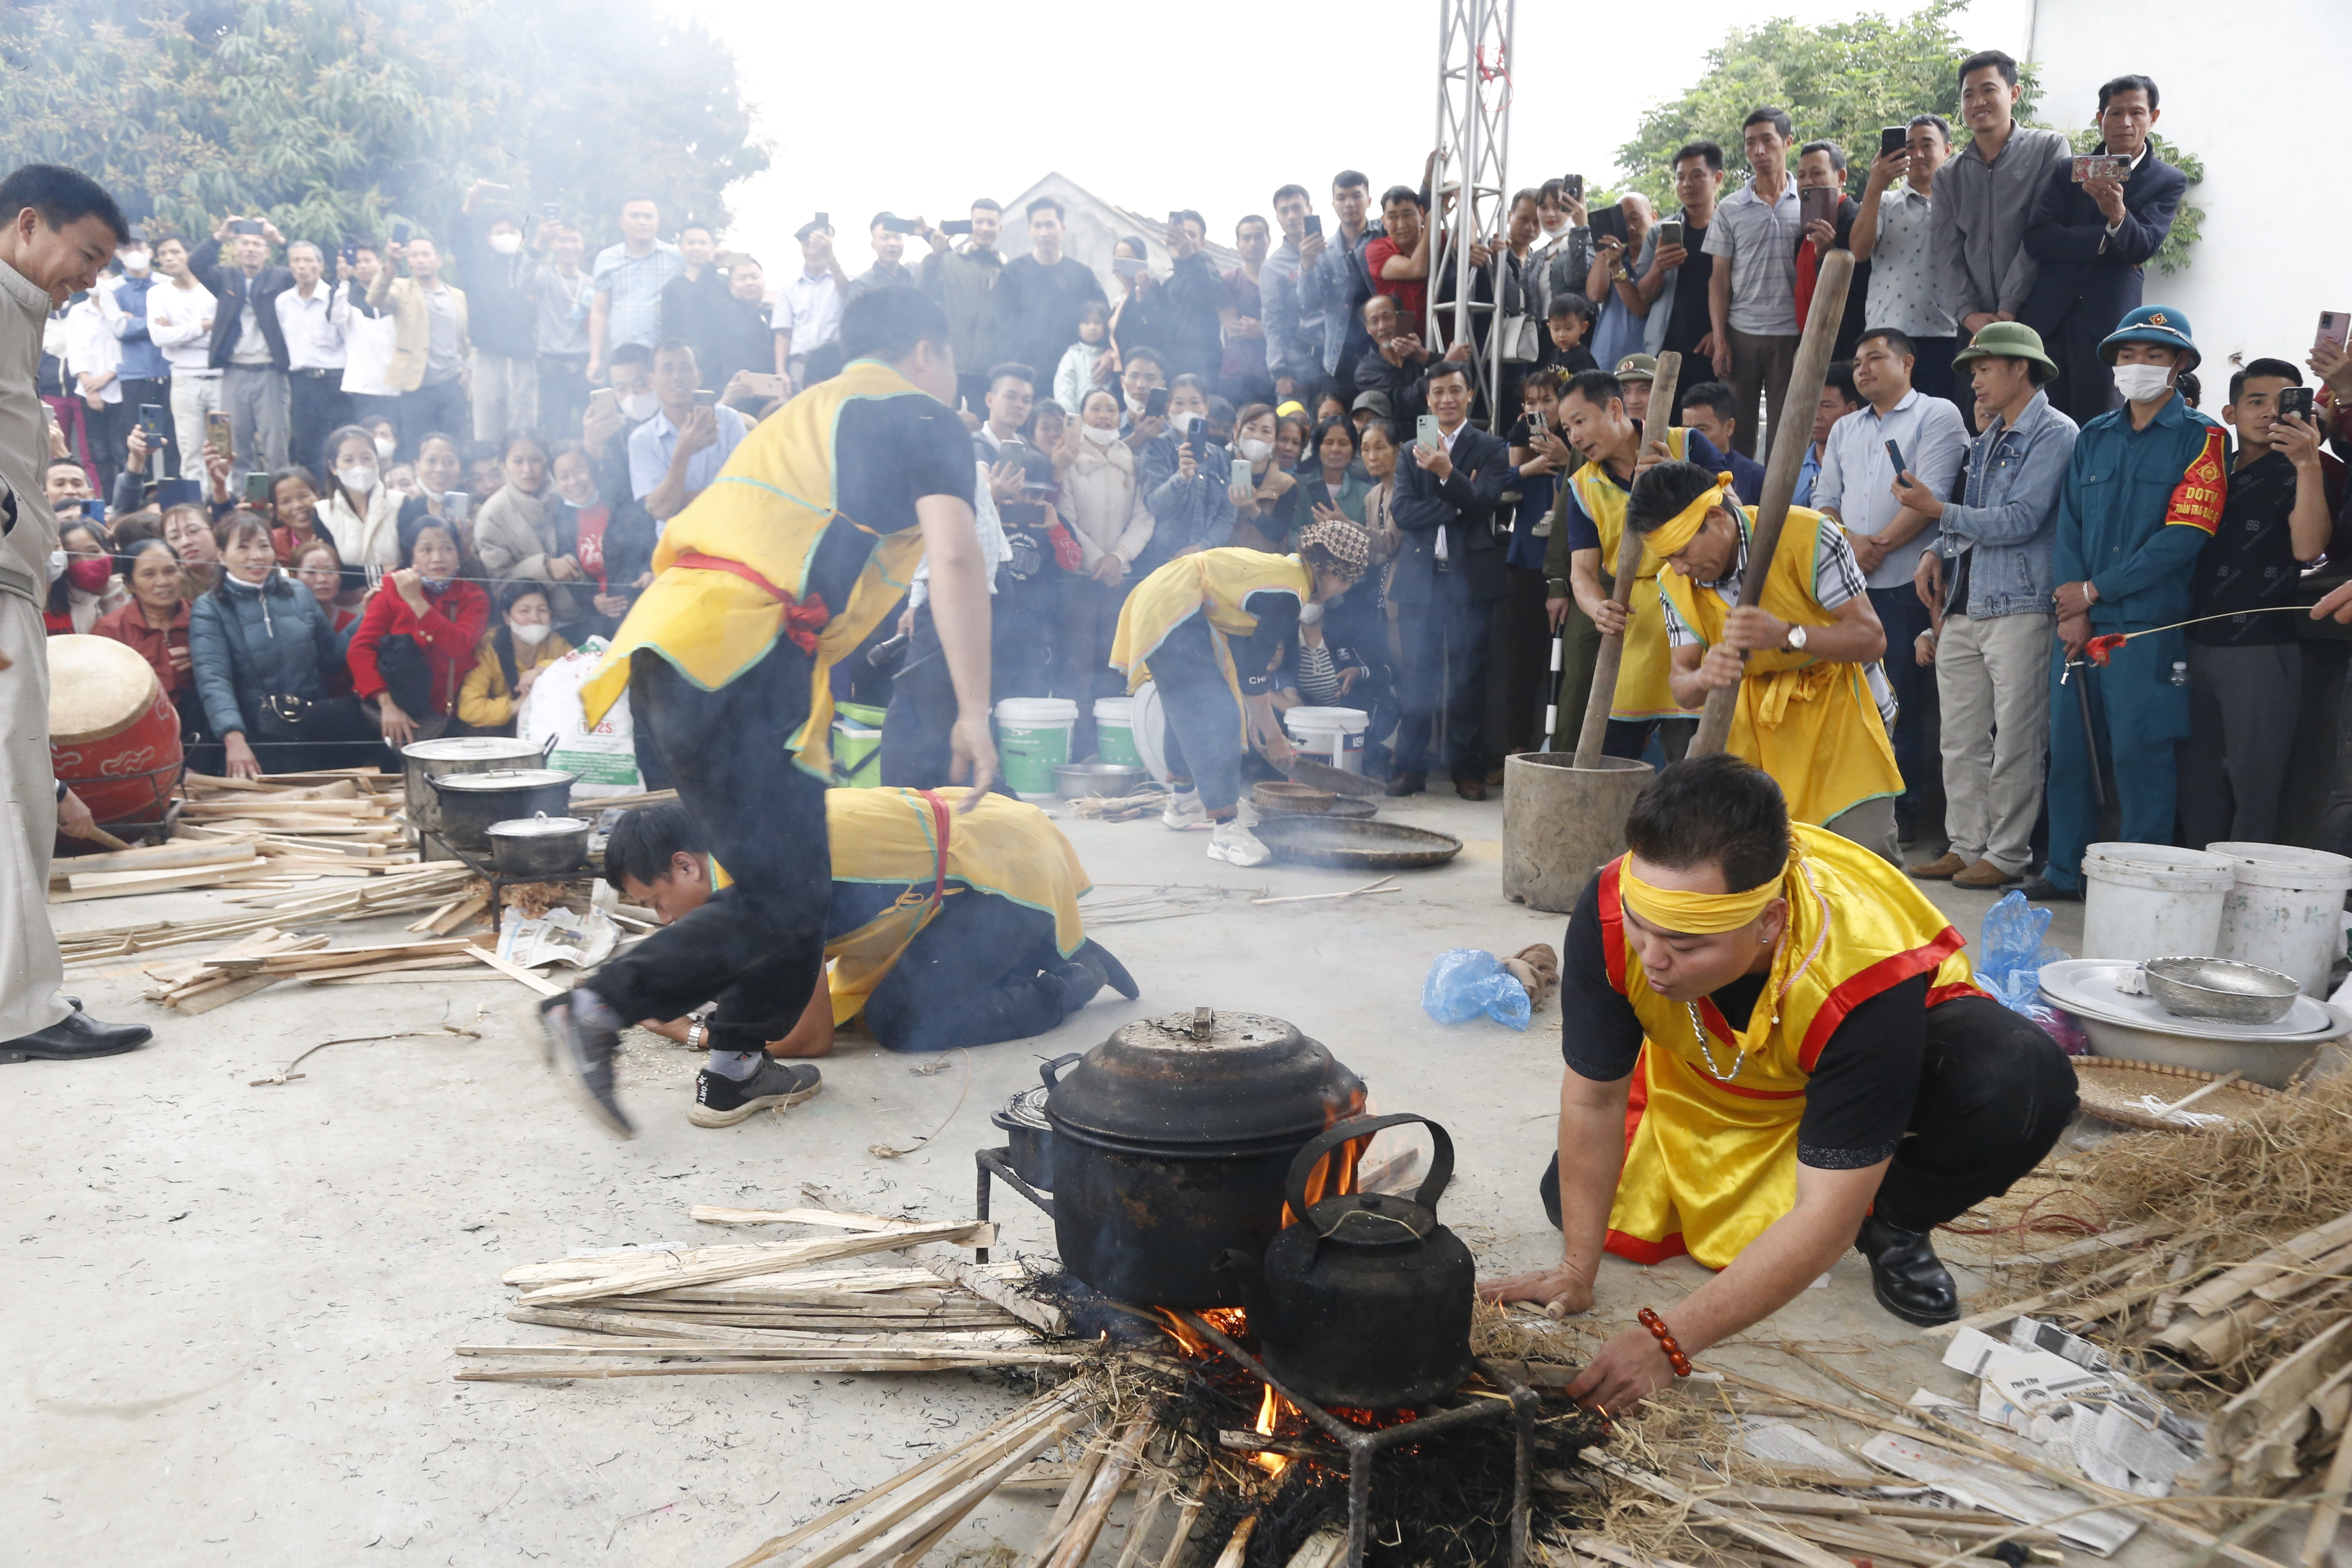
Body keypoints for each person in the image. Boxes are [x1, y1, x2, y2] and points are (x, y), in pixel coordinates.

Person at [546, 287, 1001, 1139]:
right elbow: (956, 555)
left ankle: (736, 1065)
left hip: (673, 647)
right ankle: (597, 1008)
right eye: (949, 367)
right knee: (788, 893)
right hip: (746, 657)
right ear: (927, 353)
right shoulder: (922, 418)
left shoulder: (803, 414)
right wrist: (973, 710)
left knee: (788, 881)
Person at [1478, 756, 2078, 1386]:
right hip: (1705, 1081)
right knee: (1569, 1203)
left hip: (1856, 1062)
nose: (1652, 962)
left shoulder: (1862, 969)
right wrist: (1577, 1269)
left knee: (2018, 1081)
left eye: (1686, 945)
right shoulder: (1611, 907)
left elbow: (1825, 1215)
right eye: (1641, 928)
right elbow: (1594, 1101)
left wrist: (1669, 1341)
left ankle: (1896, 1219)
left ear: (1770, 922)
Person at [604, 795, 1135, 1121]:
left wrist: (689, 1031)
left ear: (686, 867)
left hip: (1008, 870)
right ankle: (1030, 945)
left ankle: (1069, 977)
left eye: (655, 903)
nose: (665, 922)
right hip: (974, 863)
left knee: (901, 1022)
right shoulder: (737, 842)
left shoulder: (764, 879)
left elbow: (810, 1040)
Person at [0, 163, 149, 1062]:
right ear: (27, 227)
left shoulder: (24, 319)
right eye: (85, 254)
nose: (89, 278)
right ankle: (23, 1012)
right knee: (12, 797)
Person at [2026, 306, 2223, 900]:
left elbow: (2185, 537)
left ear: (2180, 364)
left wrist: (2097, 591)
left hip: (2148, 628)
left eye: (2155, 355)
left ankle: (2137, 885)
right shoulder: (2094, 437)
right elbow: (2071, 528)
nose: (2138, 366)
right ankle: (2065, 872)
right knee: (2069, 757)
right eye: (2128, 355)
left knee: (2143, 755)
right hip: (2081, 627)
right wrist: (2074, 607)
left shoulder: (2204, 439)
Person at [1635, 459, 1903, 854]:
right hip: (1751, 718)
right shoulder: (1675, 582)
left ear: (1717, 518)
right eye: (1668, 558)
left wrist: (1788, 635)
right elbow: (1682, 686)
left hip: (1841, 707)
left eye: (1683, 551)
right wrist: (1706, 678)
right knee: (1731, 852)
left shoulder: (1809, 535)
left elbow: (1871, 638)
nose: (1680, 567)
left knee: (1863, 853)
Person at [1904, 324, 2076, 890]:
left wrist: (1939, 515)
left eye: (1984, 368)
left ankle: (2005, 854)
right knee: (1960, 739)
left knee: (2018, 738)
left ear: (2020, 368)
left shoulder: (2055, 433)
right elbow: (1974, 516)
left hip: (2022, 604)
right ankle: (1966, 845)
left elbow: (2022, 520)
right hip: (1967, 603)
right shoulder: (1989, 437)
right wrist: (1935, 547)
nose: (1974, 380)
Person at [1112, 521, 1372, 865]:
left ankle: (1185, 800)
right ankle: (1225, 831)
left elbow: (1249, 662)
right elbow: (1254, 672)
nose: (1346, 589)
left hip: (1172, 595)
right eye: (1349, 580)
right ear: (1333, 572)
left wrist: (1258, 717)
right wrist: (1274, 735)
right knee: (1214, 711)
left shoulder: (1288, 575)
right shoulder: (1288, 595)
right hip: (1173, 600)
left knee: (1194, 697)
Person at [1809, 328, 1969, 842]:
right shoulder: (1845, 429)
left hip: (1907, 584)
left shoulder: (1937, 414)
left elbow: (1935, 497)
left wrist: (1873, 545)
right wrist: (1847, 544)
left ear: (1908, 363)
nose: (1863, 368)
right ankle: (1848, 813)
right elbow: (1824, 498)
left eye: (1876, 358)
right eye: (1858, 361)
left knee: (1904, 705)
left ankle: (1907, 820)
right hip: (1848, 585)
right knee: (1846, 703)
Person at [2175, 360, 2337, 848]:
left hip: (2260, 649)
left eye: (2283, 402)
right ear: (2229, 412)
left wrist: (2309, 463)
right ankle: (2201, 887)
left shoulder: (2305, 469)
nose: (2270, 413)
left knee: (2255, 786)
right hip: (2193, 642)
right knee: (2196, 783)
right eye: (2256, 401)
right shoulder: (2209, 468)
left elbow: (2309, 548)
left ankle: (2246, 899)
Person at [1548, 368, 1748, 761]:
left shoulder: (1687, 444)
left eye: (1580, 421)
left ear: (1615, 408)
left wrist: (1680, 477)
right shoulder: (1582, 486)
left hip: (1699, 609)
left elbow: (1738, 516)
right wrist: (1596, 608)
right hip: (1635, 625)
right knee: (1614, 748)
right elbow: (1583, 573)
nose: (1573, 436)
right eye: (1567, 428)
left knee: (1695, 752)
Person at [2020, 77, 2188, 425]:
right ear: (2101, 119)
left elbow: (2143, 246)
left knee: (2096, 420)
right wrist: (2103, 239)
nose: (2125, 123)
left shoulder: (2167, 180)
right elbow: (2038, 238)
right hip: (2048, 318)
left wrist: (2118, 216)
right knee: (2036, 421)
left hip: (2108, 324)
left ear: (2153, 118)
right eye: (2115, 113)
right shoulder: (2071, 170)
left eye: (2136, 113)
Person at [1388, 361, 1513, 799]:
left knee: (1468, 678)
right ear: (1427, 399)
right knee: (1416, 676)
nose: (1446, 399)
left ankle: (1467, 769)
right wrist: (1458, 501)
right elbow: (1402, 512)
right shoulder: (1410, 450)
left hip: (1470, 582)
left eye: (1455, 391)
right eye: (1438, 392)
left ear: (1469, 395)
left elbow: (1488, 503)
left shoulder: (1491, 447)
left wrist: (1446, 473)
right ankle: (1410, 768)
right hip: (1421, 580)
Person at [189, 510, 371, 778]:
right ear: (221, 555)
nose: (257, 556)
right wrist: (234, 739)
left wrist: (366, 617)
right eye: (243, 547)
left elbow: (331, 657)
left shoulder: (298, 592)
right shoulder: (211, 607)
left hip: (310, 729)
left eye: (264, 546)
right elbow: (214, 680)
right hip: (254, 735)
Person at [1931, 51, 2072, 348]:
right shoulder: (1948, 176)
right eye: (1968, 95)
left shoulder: (2049, 148)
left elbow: (2042, 232)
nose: (1978, 102)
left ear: (2015, 93)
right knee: (1978, 396)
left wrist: (2009, 305)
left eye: (1988, 90)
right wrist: (1969, 315)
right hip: (1975, 326)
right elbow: (1946, 253)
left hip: (2039, 314)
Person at [1056, 387, 1154, 753]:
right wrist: (1098, 559)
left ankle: (1114, 750)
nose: (1104, 416)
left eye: (1111, 410)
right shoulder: (1070, 458)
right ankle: (1078, 750)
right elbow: (1065, 517)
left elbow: (1145, 516)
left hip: (1120, 580)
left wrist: (1119, 557)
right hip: (1079, 580)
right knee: (1078, 667)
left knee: (1115, 667)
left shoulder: (1131, 458)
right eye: (1095, 409)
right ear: (1082, 415)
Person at [1705, 109, 1804, 458]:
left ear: (1787, 143)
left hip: (1793, 335)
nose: (1759, 151)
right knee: (1735, 433)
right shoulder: (1730, 208)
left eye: (1768, 140)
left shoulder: (1809, 203)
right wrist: (1720, 338)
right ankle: (1737, 509)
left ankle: (1782, 511)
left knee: (1788, 435)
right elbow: (1719, 280)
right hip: (1741, 332)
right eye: (1751, 143)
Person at [347, 511, 490, 749]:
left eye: (447, 549)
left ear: (458, 553)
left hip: (442, 712)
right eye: (426, 550)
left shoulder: (473, 596)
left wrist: (417, 602)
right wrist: (386, 704)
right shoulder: (392, 586)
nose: (438, 558)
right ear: (411, 555)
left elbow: (460, 646)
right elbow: (360, 649)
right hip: (391, 701)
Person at [1852, 116, 1958, 404]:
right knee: (1884, 428)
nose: (1918, 154)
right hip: (1887, 336)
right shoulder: (1883, 202)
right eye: (1909, 146)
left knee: (1938, 429)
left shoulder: (1962, 202)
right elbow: (1859, 251)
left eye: (1928, 145)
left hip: (1946, 334)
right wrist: (1875, 184)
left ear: (1947, 150)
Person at [185, 214, 294, 481]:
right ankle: (243, 501)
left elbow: (302, 266)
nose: (251, 249)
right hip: (235, 371)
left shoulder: (278, 279)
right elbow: (196, 263)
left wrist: (280, 240)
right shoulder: (225, 278)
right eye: (245, 243)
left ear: (266, 251)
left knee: (275, 443)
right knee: (235, 443)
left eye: (257, 244)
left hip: (270, 371)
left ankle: (279, 500)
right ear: (235, 250)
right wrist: (219, 236)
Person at [1611, 144, 1726, 385]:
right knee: (1666, 421)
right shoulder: (1659, 233)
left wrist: (1721, 333)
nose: (1687, 184)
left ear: (1717, 179)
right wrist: (1659, 268)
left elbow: (1742, 288)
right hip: (1667, 347)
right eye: (1680, 178)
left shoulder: (1731, 228)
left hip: (1716, 349)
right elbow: (1644, 297)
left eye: (1697, 176)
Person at [1500, 371, 1567, 754]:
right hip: (1525, 562)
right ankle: (1514, 750)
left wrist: (1565, 457)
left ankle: (1558, 751)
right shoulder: (1518, 439)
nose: (1538, 410)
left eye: (1547, 401)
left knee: (1563, 669)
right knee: (1521, 667)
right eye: (1530, 402)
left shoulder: (1579, 443)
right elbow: (1496, 488)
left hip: (1571, 567)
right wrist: (1526, 468)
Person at [94, 533, 207, 757]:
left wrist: (204, 657)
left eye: (170, 571)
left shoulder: (204, 617)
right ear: (129, 584)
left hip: (202, 730)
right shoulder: (111, 629)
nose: (163, 582)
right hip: (140, 735)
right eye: (149, 574)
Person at [474, 427, 591, 634]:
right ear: (504, 466)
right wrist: (545, 567)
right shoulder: (492, 515)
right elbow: (500, 584)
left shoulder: (567, 492)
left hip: (589, 610)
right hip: (533, 627)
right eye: (518, 462)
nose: (528, 469)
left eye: (536, 460)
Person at [996, 198, 1108, 403]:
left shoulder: (1082, 275)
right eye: (1038, 226)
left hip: (1075, 380)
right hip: (1027, 379)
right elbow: (1001, 328)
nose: (1044, 233)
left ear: (1063, 228)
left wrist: (1110, 353)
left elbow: (1104, 318)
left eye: (1050, 225)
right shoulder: (1013, 274)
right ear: (1030, 230)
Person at [366, 235, 469, 453]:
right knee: (417, 447)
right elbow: (375, 299)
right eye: (414, 255)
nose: (420, 260)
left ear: (438, 260)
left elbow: (464, 338)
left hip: (452, 384)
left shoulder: (457, 296)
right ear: (409, 261)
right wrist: (391, 264)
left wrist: (469, 367)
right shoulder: (400, 289)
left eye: (426, 254)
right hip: (416, 385)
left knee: (456, 445)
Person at [628, 339, 748, 523]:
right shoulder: (642, 440)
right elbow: (661, 510)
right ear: (651, 381)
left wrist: (681, 499)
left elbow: (747, 490)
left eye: (685, 368)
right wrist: (683, 454)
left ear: (699, 378)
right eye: (668, 369)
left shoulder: (729, 420)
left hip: (729, 534)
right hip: (677, 545)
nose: (677, 377)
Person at [453, 186, 539, 442]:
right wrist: (470, 205)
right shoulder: (478, 268)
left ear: (522, 238)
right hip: (488, 355)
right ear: (490, 238)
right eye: (499, 232)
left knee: (524, 426)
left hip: (523, 356)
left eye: (512, 232)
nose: (506, 236)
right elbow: (460, 243)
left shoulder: (532, 265)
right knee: (487, 423)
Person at [916, 199, 1005, 415]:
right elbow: (921, 293)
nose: (985, 229)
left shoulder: (1006, 271)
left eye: (991, 223)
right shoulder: (949, 262)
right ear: (971, 224)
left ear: (1000, 229)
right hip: (948, 367)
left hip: (986, 374)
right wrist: (935, 256)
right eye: (980, 222)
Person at [1299, 171, 1383, 389]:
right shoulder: (1323, 252)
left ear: (1369, 201)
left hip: (1383, 354)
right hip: (1340, 358)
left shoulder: (1385, 235)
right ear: (1333, 204)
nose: (1349, 204)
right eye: (1342, 198)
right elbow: (1310, 303)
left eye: (1356, 196)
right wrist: (1307, 264)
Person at [145, 235, 220, 481]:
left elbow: (225, 335)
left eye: (175, 252)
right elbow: (159, 337)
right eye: (163, 254)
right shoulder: (158, 294)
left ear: (190, 254)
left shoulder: (213, 289)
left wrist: (178, 332)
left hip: (220, 377)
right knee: (190, 449)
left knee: (223, 447)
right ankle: (196, 505)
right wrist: (204, 327)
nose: (169, 258)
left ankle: (224, 502)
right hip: (183, 379)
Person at [586, 195, 682, 383]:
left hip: (665, 354)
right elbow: (600, 310)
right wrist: (595, 358)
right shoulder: (607, 259)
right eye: (635, 216)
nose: (642, 222)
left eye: (648, 217)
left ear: (657, 222)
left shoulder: (677, 258)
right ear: (623, 222)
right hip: (623, 353)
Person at [456, 580, 572, 733]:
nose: (535, 618)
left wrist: (544, 668)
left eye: (543, 610)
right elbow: (469, 709)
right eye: (525, 611)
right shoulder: (489, 648)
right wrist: (518, 706)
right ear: (507, 617)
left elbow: (585, 668)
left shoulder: (556, 644)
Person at [1792, 141, 1871, 360]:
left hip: (1846, 347)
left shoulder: (1855, 221)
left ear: (1841, 177)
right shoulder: (1803, 234)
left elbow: (1863, 286)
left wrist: (1829, 255)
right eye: (1802, 176)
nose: (1808, 182)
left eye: (1817, 173)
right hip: (1809, 344)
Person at [273, 242, 346, 479]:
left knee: (341, 444)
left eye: (308, 260)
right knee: (308, 447)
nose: (302, 266)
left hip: (335, 381)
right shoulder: (283, 302)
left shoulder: (335, 297)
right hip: (302, 383)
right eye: (296, 261)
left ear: (321, 266)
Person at [527, 220, 593, 438]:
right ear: (553, 245)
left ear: (583, 244)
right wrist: (537, 243)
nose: (569, 246)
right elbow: (522, 282)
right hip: (552, 366)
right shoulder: (545, 276)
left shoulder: (592, 283)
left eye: (574, 240)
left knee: (592, 429)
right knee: (556, 432)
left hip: (585, 365)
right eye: (562, 240)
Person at [1260, 184, 1324, 404]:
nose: (1291, 216)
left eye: (1297, 208)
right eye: (1284, 211)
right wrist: (1279, 372)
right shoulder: (1272, 267)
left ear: (1310, 209)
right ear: (1277, 218)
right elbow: (1272, 321)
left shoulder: (1332, 252)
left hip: (1336, 359)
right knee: (1292, 430)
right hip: (1296, 363)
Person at [331, 242, 401, 437]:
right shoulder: (348, 295)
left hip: (396, 384)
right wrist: (342, 281)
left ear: (380, 262)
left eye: (368, 261)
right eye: (358, 262)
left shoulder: (398, 293)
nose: (363, 266)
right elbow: (336, 318)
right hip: (362, 385)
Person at [315, 422, 401, 577]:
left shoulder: (401, 503)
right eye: (349, 460)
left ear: (377, 461)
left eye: (367, 458)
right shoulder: (322, 513)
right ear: (333, 467)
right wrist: (384, 571)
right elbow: (337, 574)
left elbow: (409, 562)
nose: (360, 467)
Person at [772, 217, 848, 392]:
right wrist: (781, 371)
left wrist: (833, 261)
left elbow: (848, 296)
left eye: (818, 246)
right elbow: (783, 332)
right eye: (807, 245)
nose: (812, 252)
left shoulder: (846, 278)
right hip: (800, 366)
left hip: (835, 365)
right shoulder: (790, 285)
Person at [1226, 402, 1308, 552]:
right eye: (1251, 428)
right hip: (1222, 564)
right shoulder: (1223, 470)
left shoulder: (1286, 484)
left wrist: (1253, 510)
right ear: (1238, 432)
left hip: (1264, 567)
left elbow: (1278, 533)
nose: (1257, 437)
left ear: (1275, 440)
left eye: (1266, 431)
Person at [1674, 383, 1767, 502]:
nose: (1693, 437)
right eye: (1686, 429)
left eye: (1702, 429)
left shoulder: (1756, 477)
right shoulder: (1672, 467)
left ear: (1729, 427)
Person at [657, 221, 728, 376]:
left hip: (724, 366)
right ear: (682, 249)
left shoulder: (726, 285)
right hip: (688, 366)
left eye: (702, 243)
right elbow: (668, 331)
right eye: (691, 243)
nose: (697, 248)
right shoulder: (672, 288)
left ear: (713, 247)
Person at [1794, 362, 1859, 507]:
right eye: (1811, 407)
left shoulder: (1866, 466)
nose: (1816, 416)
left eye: (1827, 406)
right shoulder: (1792, 468)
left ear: (1852, 411)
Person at [1366, 186, 1431, 331]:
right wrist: (1430, 225)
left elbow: (1468, 241)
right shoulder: (1377, 249)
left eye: (1407, 215)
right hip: (1402, 342)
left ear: (1421, 213)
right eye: (1393, 217)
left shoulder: (1441, 238)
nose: (1401, 225)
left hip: (1446, 339)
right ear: (1384, 221)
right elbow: (1416, 270)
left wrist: (1460, 196)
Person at [44, 514, 121, 634]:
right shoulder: (53, 601)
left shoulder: (128, 590)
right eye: (73, 556)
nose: (85, 562)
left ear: (108, 551)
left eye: (94, 552)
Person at [1055, 300, 1115, 417]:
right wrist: (1074, 420)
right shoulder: (1072, 357)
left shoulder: (1111, 358)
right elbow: (1064, 393)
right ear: (1078, 329)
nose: (1092, 327)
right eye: (1086, 323)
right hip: (1080, 420)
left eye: (1097, 323)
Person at [263, 464, 325, 565]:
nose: (297, 506)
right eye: (286, 502)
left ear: (318, 496)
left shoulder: (339, 533)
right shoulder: (273, 542)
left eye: (303, 496)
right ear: (276, 511)